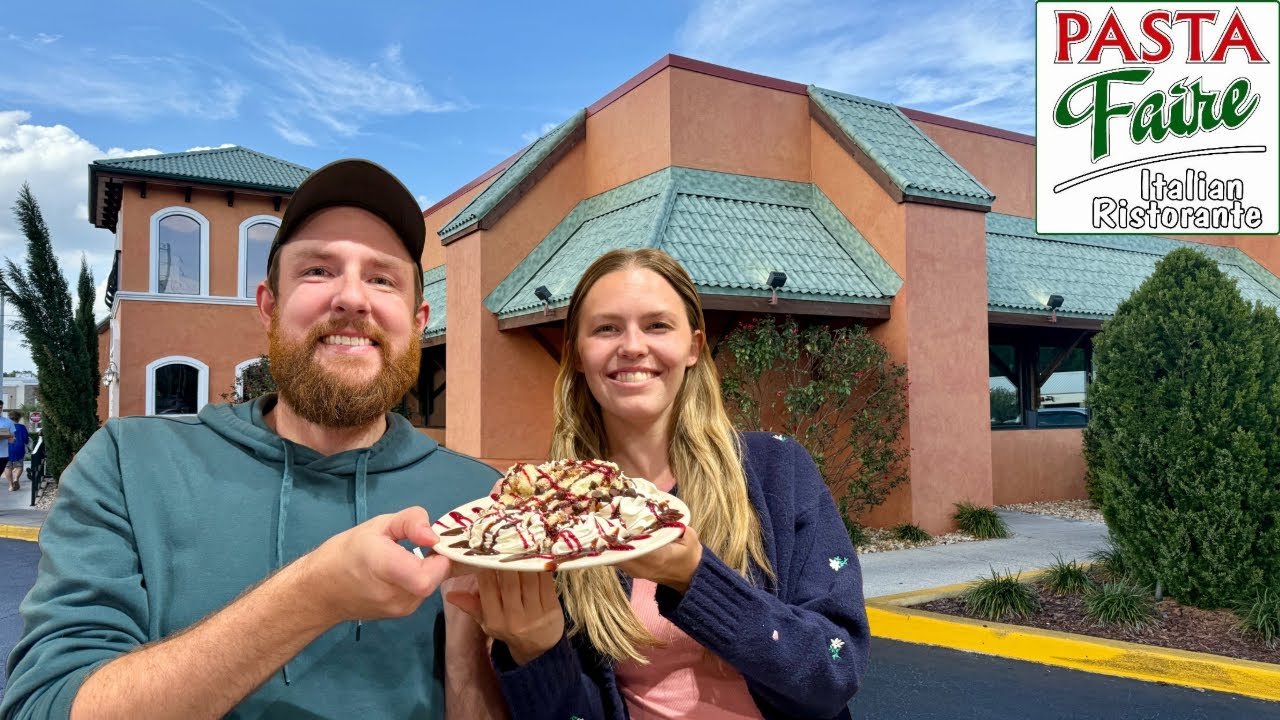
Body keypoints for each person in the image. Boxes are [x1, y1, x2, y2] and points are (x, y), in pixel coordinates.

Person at [2, 159, 506, 720]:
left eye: (382, 278)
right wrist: (309, 596)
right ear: (268, 306)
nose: (352, 299)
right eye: (318, 271)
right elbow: (42, 707)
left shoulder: (483, 498)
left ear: (417, 321)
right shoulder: (128, 464)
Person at [448, 249, 871, 719]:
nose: (632, 346)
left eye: (657, 326)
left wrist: (695, 579)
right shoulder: (555, 520)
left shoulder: (778, 470)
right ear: (576, 355)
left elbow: (837, 670)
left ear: (693, 347)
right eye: (606, 328)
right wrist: (537, 651)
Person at [6, 410, 28, 491]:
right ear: (19, 418)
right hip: (19, 449)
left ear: (9, 418)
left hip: (7, 449)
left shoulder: (6, 427)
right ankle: (16, 479)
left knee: (7, 467)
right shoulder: (22, 427)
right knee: (19, 466)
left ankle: (11, 486)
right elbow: (26, 440)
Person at [0, 401, 15, 489]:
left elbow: (12, 439)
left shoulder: (8, 422)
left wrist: (9, 438)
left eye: (0, 408)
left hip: (2, 455)